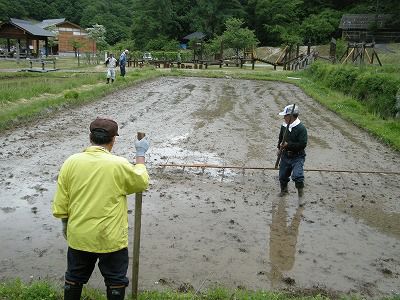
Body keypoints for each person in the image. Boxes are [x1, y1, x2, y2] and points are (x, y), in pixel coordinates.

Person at [52, 117, 150, 300]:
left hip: (79, 235)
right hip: (110, 238)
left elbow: (61, 200)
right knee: (115, 280)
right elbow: (141, 181)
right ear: (113, 140)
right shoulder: (118, 164)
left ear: (90, 137)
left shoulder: (71, 162)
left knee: (74, 278)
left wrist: (66, 224)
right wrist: (140, 155)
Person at [276, 104, 308, 202]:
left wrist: (288, 145)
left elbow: (302, 144)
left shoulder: (301, 128)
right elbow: (281, 138)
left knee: (298, 176)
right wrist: (279, 148)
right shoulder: (284, 126)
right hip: (285, 155)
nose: (283, 117)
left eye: (285, 116)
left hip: (297, 156)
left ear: (290, 116)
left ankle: (301, 197)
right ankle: (284, 191)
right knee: (282, 176)